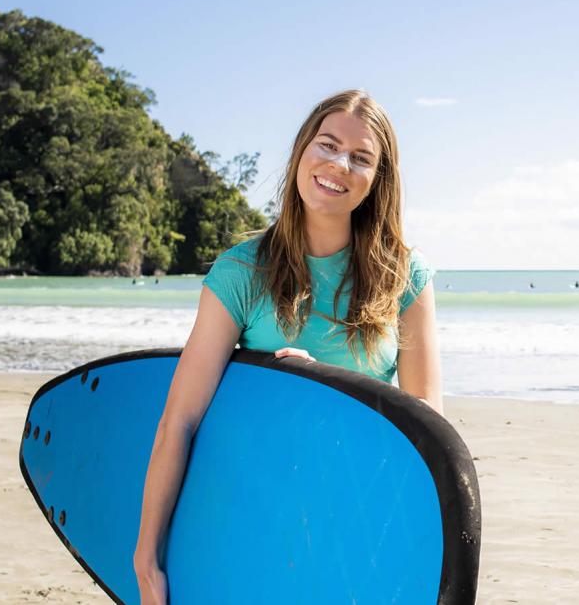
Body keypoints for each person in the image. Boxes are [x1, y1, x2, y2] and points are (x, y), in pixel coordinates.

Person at [132, 90, 440, 605]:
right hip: (254, 515)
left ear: (377, 181)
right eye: (328, 144)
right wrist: (147, 558)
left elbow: (427, 425)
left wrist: (329, 392)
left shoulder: (403, 277)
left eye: (361, 158)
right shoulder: (242, 274)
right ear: (302, 150)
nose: (338, 164)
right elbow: (179, 420)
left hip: (357, 518)